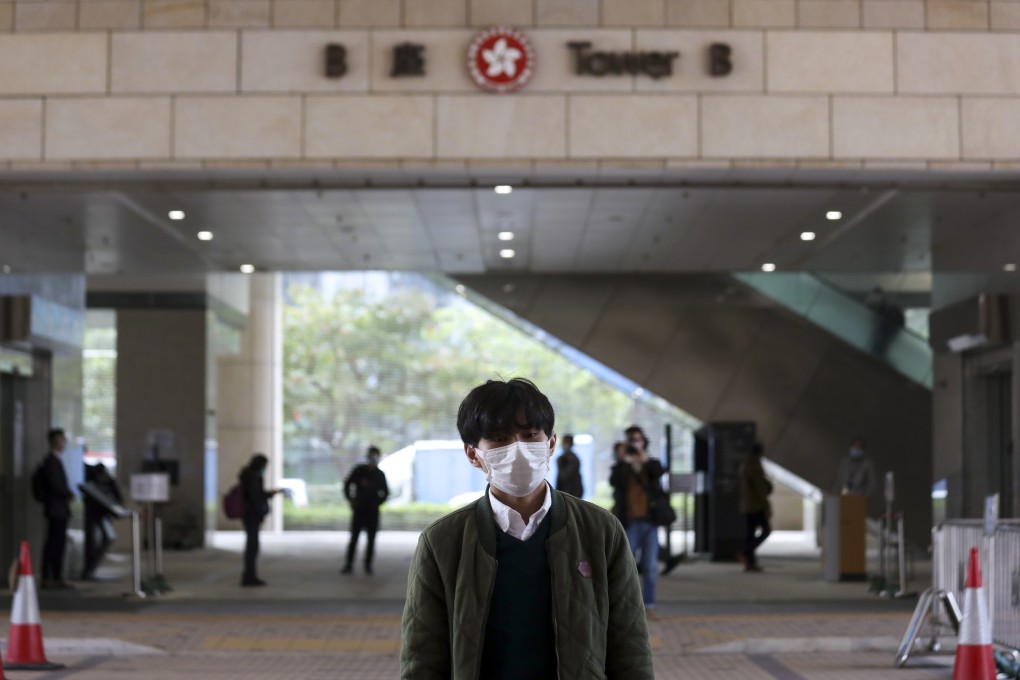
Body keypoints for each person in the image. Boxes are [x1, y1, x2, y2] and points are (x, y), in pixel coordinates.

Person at [400, 378, 653, 679]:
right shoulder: (442, 541)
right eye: (500, 439)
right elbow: (423, 657)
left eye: (530, 434)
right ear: (472, 454)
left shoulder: (600, 530)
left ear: (550, 444)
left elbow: (630, 645)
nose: (517, 448)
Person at [610, 425, 667, 612]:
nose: (635, 443)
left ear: (644, 441)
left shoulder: (651, 463)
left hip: (650, 522)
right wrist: (625, 461)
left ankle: (649, 604)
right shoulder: (622, 466)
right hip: (630, 522)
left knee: (650, 566)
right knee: (627, 565)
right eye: (632, 440)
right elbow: (615, 482)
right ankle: (627, 605)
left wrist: (644, 458)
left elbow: (659, 472)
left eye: (638, 440)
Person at [342, 446, 389, 575]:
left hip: (372, 512)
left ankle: (368, 565)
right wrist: (351, 499)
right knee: (354, 538)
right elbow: (347, 485)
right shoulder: (359, 470)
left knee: (371, 540)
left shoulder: (379, 474)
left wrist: (376, 503)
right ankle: (349, 564)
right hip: (359, 510)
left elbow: (385, 493)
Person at [37, 428, 74, 589]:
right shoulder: (51, 461)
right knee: (54, 543)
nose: (63, 443)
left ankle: (55, 575)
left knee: (56, 542)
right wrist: (67, 493)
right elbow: (56, 485)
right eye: (61, 439)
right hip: (56, 509)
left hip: (58, 508)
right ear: (55, 441)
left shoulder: (55, 460)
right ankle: (50, 576)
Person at [239, 453, 279, 587]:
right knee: (252, 547)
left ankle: (250, 575)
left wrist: (269, 494)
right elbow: (255, 497)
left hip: (249, 515)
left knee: (252, 546)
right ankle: (249, 576)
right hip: (252, 515)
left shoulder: (248, 476)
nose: (265, 468)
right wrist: (262, 512)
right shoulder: (253, 478)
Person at [81, 460, 124, 580]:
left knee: (105, 540)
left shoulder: (109, 482)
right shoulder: (92, 481)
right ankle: (88, 571)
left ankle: (90, 570)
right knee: (93, 544)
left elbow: (118, 498)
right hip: (95, 516)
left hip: (103, 516)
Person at [737, 442, 773, 573]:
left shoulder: (744, 464)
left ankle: (749, 563)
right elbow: (760, 488)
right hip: (756, 505)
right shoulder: (755, 465)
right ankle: (745, 551)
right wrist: (767, 506)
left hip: (747, 505)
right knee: (766, 531)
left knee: (750, 534)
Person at [554, 432, 583, 497]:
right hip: (562, 493)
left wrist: (560, 465)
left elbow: (565, 476)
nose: (566, 445)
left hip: (573, 493)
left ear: (572, 444)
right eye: (564, 442)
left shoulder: (574, 459)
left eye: (567, 442)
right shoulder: (561, 458)